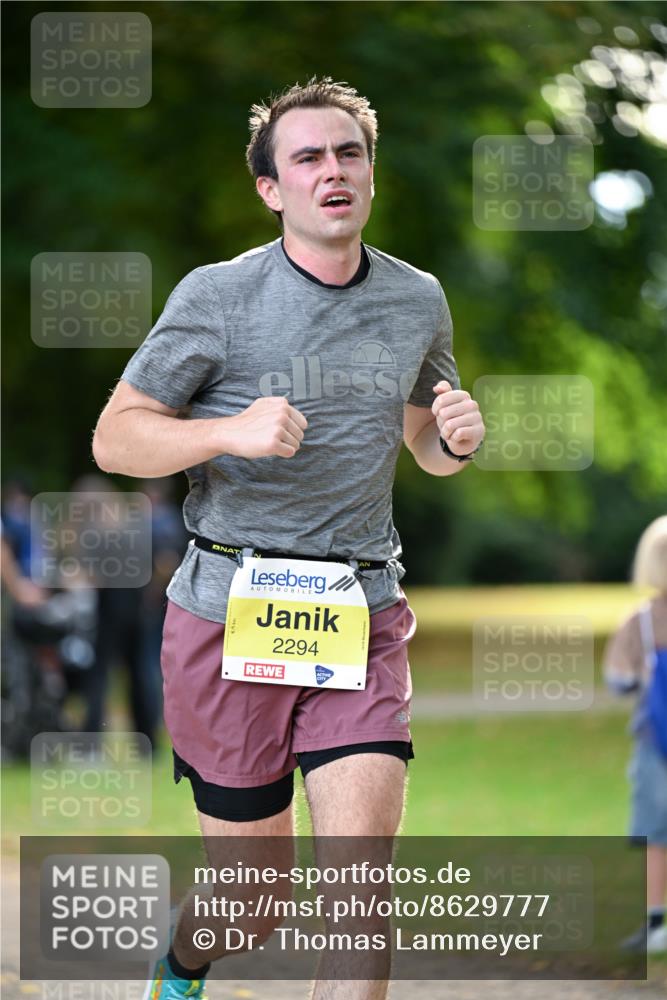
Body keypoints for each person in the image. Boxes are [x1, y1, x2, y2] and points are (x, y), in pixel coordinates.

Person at [92, 77, 485, 1000]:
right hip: (229, 615)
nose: (331, 171)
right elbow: (117, 436)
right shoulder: (219, 297)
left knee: (359, 889)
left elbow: (423, 435)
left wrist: (452, 438)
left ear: (370, 174)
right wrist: (223, 432)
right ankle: (182, 966)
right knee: (253, 898)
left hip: (359, 607)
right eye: (306, 157)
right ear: (271, 189)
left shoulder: (415, 299)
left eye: (347, 153)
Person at [603, 515, 667, 954]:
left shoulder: (641, 621)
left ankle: (656, 922)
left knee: (656, 833)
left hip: (655, 737)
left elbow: (618, 680)